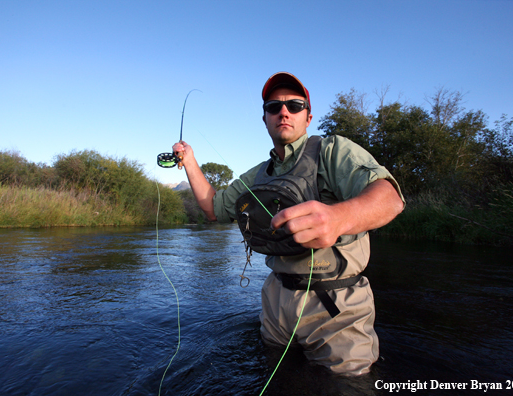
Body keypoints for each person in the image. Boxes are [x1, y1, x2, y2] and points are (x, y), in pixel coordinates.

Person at [172, 72, 405, 375]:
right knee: (277, 376)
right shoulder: (256, 175)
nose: (284, 111)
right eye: (274, 106)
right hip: (275, 298)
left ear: (308, 117)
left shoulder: (332, 151)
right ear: (265, 118)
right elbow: (214, 210)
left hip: (336, 304)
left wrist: (339, 218)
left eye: (295, 106)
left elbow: (390, 198)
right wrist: (189, 161)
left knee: (346, 386)